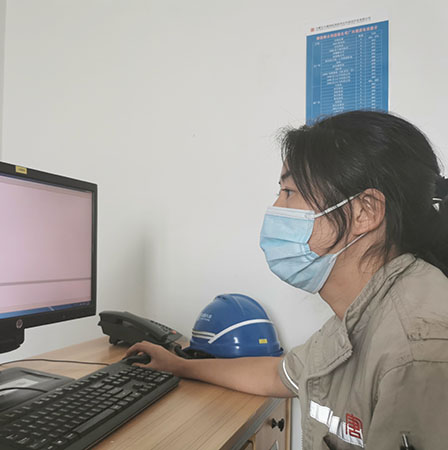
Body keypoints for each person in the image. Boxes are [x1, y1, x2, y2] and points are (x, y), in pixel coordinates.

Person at [127, 110, 448, 450]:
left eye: (289, 191)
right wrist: (179, 366)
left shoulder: (418, 352)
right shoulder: (362, 313)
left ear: (364, 211)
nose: (276, 207)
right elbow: (280, 374)